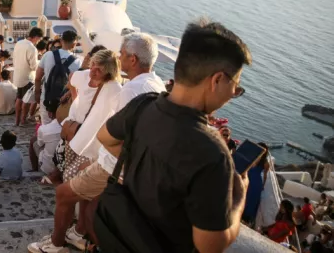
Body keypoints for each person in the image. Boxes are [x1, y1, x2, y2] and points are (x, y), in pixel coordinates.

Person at [95, 20, 252, 253]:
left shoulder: (142, 105)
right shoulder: (211, 154)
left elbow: (105, 137)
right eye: (236, 85)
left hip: (121, 238)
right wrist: (239, 199)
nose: (232, 93)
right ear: (217, 79)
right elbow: (211, 245)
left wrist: (142, 163)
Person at [28, 49, 121, 253]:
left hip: (93, 151)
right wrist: (73, 97)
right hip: (78, 142)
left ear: (109, 71)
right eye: (92, 64)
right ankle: (78, 233)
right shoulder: (85, 77)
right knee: (81, 193)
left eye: (99, 68)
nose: (93, 70)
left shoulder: (115, 90)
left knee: (67, 192)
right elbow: (73, 79)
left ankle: (57, 243)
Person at [34, 30, 82, 126]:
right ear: (74, 44)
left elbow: (38, 77)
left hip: (46, 98)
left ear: (61, 41)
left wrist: (37, 94)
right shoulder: (78, 62)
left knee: (45, 127)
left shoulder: (47, 55)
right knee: (60, 127)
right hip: (64, 101)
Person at [12, 27, 44, 126]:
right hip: (27, 77)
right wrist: (41, 61)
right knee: (27, 100)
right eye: (39, 39)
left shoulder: (19, 43)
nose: (38, 41)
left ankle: (17, 121)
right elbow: (34, 66)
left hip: (18, 76)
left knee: (19, 98)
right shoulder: (32, 48)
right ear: (36, 37)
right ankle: (23, 121)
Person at [243, 142, 270, 224]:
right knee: (244, 195)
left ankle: (247, 218)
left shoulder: (266, 163)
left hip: (255, 182)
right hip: (248, 176)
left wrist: (263, 185)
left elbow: (265, 175)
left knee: (250, 199)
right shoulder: (252, 156)